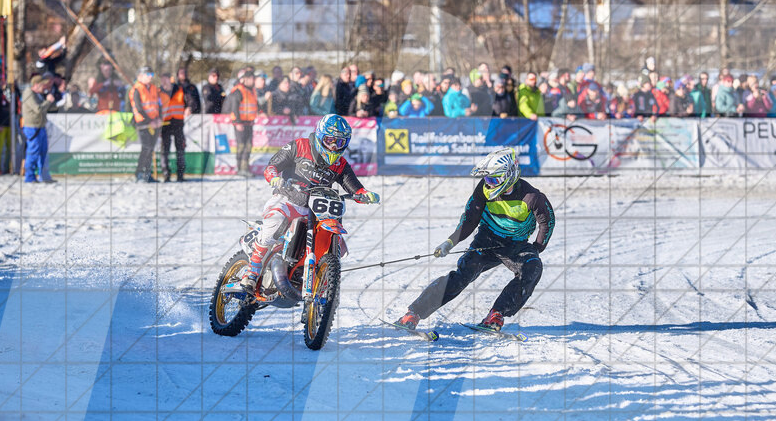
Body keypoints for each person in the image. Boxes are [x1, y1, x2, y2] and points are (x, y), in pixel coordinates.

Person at [394, 148, 555, 333]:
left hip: (515, 245)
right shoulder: (484, 189)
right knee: (463, 275)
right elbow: (470, 219)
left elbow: (547, 222)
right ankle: (413, 313)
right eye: (486, 179)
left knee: (533, 268)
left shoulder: (532, 197)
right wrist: (450, 242)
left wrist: (537, 248)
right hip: (486, 240)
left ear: (508, 175)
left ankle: (496, 315)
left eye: (493, 180)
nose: (489, 184)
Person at [235, 114, 380, 295]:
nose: (334, 147)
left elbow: (354, 186)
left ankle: (316, 276)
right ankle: (251, 274)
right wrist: (274, 178)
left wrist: (364, 194)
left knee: (335, 242)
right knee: (273, 226)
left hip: (315, 208)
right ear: (320, 135)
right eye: (330, 140)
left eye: (340, 142)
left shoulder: (340, 163)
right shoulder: (299, 146)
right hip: (287, 199)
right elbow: (272, 166)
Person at [20, 75, 58, 183]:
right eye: (43, 85)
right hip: (32, 127)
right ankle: (29, 177)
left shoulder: (39, 94)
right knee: (33, 152)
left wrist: (52, 101)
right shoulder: (28, 93)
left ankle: (44, 176)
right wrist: (48, 101)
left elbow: (48, 107)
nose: (45, 87)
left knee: (43, 152)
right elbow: (38, 109)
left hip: (40, 126)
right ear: (36, 85)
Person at [223, 68, 259, 176]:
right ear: (245, 79)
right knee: (241, 146)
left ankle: (245, 168)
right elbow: (234, 108)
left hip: (249, 122)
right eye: (251, 79)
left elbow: (254, 105)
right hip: (240, 123)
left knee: (248, 146)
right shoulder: (238, 91)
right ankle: (240, 168)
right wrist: (237, 122)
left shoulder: (252, 91)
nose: (253, 81)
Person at [130, 66, 162, 182]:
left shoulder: (154, 88)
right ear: (140, 76)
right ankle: (139, 173)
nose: (150, 77)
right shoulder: (136, 89)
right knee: (146, 148)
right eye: (148, 75)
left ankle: (148, 174)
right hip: (143, 123)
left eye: (151, 75)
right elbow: (139, 108)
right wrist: (150, 121)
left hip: (155, 123)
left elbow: (159, 105)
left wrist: (159, 119)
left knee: (151, 149)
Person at [159, 72, 188, 182]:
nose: (163, 82)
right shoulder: (158, 92)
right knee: (164, 151)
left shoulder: (180, 90)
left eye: (165, 79)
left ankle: (180, 175)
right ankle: (166, 174)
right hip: (165, 124)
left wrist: (190, 107)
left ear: (170, 79)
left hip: (178, 123)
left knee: (180, 149)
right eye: (162, 80)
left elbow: (190, 101)